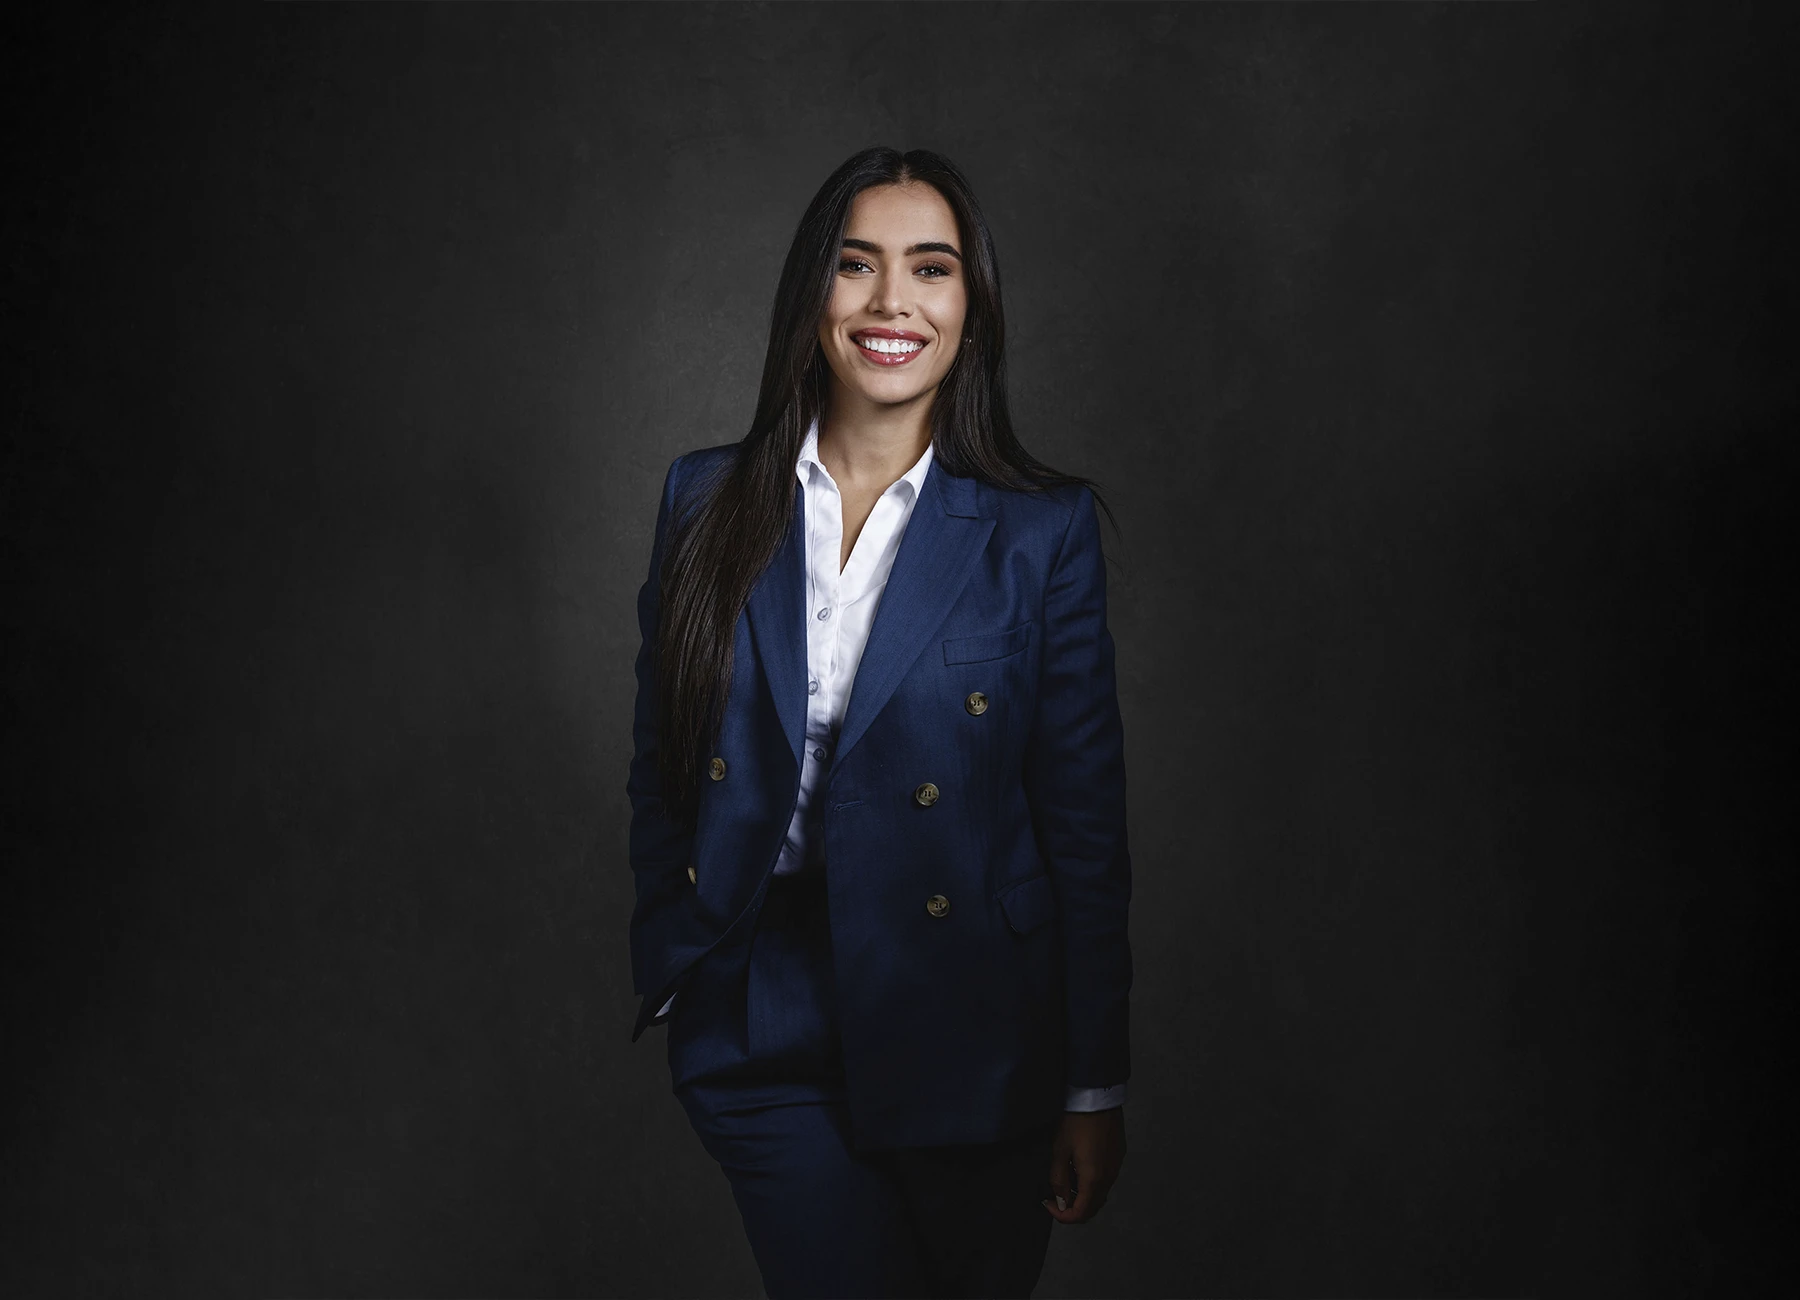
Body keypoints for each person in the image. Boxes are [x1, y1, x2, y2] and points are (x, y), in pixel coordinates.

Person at [625, 145, 1132, 1299]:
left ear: (972, 307)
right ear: (812, 294)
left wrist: (1094, 1081)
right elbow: (662, 762)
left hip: (975, 1020)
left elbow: (1084, 824)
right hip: (765, 1018)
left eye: (931, 268)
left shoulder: (1039, 533)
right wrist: (680, 954)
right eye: (856, 264)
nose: (892, 300)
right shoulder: (704, 500)